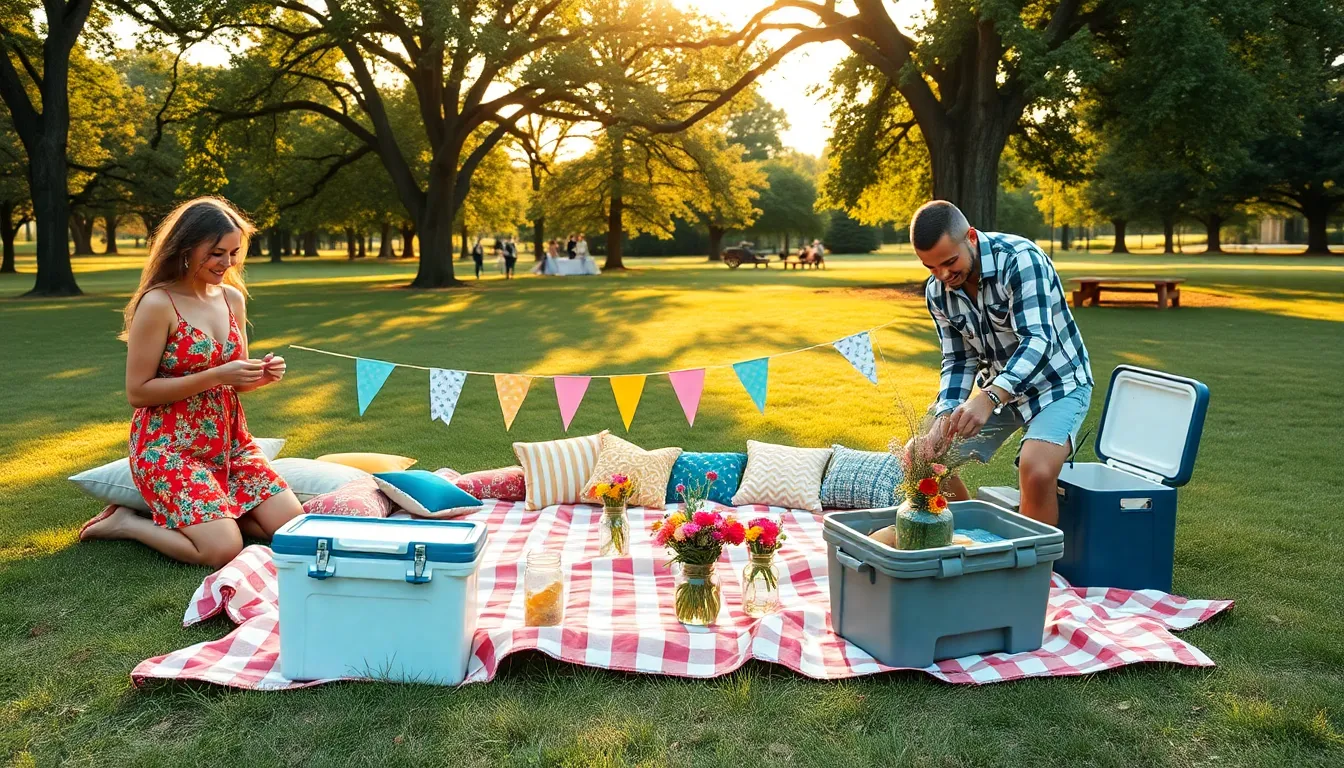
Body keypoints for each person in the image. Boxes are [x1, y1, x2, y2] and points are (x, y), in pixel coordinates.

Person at [77, 196, 303, 567]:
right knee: (222, 550)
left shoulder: (231, 297)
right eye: (216, 253)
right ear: (185, 247)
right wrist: (216, 375)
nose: (227, 264)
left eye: (233, 253)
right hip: (169, 450)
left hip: (229, 444)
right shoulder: (158, 303)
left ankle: (215, 514)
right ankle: (125, 523)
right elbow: (138, 392)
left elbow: (236, 380)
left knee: (290, 530)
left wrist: (261, 375)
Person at [911, 200, 1093, 526]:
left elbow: (1038, 339)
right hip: (1001, 386)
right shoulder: (938, 292)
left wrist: (989, 397)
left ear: (970, 237)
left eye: (950, 262)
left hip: (1058, 383)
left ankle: (1031, 571)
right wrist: (945, 413)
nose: (943, 275)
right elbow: (957, 358)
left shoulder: (1021, 260)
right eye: (931, 268)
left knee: (1035, 471)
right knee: (923, 455)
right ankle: (970, 542)